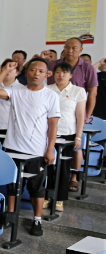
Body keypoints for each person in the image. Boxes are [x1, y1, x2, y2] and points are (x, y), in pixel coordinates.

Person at [0, 58, 59, 237]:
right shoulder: (16, 91)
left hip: (36, 150)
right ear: (26, 72)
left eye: (41, 71)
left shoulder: (50, 95)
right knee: (12, 185)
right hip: (13, 147)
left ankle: (37, 219)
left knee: (37, 187)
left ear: (47, 75)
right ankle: (11, 214)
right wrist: (4, 71)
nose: (36, 73)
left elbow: (53, 125)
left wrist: (50, 149)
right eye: (33, 70)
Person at [48, 62, 86, 206]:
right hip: (48, 132)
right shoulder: (47, 89)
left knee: (64, 167)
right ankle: (46, 196)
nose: (61, 75)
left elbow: (80, 116)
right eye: (58, 72)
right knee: (47, 165)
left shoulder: (78, 91)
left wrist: (78, 136)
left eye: (64, 72)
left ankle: (60, 198)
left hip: (67, 133)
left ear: (70, 75)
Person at [47, 38, 99, 119]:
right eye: (67, 47)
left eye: (74, 48)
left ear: (80, 50)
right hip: (50, 111)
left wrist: (87, 116)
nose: (70, 51)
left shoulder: (88, 68)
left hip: (74, 114)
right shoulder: (51, 65)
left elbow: (92, 93)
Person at [0, 59, 18, 135]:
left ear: (17, 72)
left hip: (9, 127)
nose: (8, 71)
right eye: (6, 68)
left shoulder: (20, 88)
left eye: (11, 69)